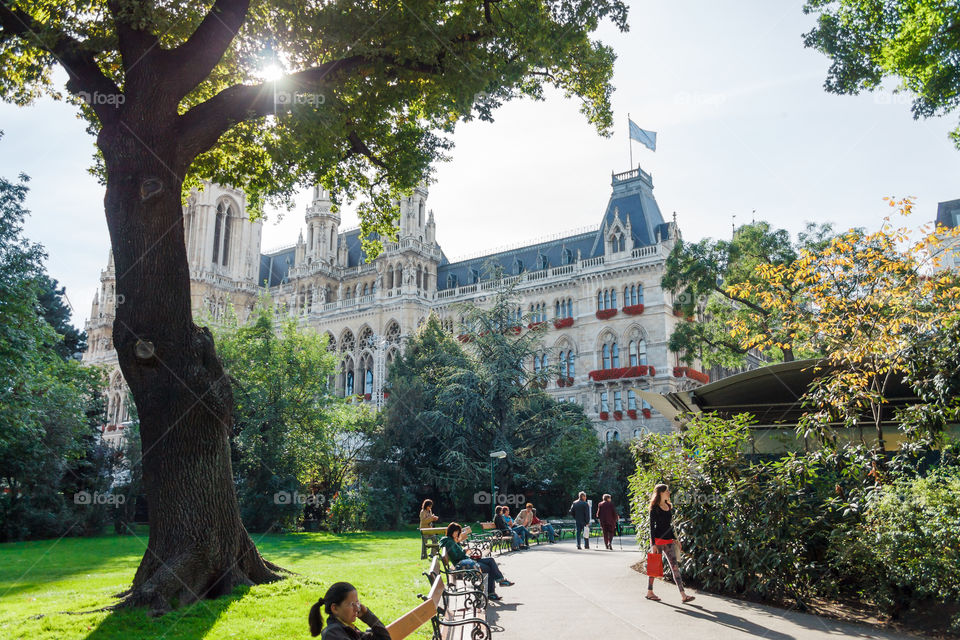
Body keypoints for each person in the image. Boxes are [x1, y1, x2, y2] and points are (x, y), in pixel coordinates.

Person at [439, 522, 514, 601]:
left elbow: (458, 553)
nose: (457, 534)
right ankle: (492, 592)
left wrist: (465, 551)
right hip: (463, 564)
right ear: (451, 531)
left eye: (458, 532)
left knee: (490, 560)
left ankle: (500, 581)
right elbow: (456, 556)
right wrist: (465, 551)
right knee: (488, 568)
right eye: (456, 532)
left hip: (467, 560)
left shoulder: (451, 540)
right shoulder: (449, 542)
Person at [646, 483, 695, 603]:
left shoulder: (668, 506)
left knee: (675, 568)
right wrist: (653, 544)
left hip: (668, 542)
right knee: (654, 567)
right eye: (667, 491)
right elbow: (652, 528)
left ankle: (683, 595)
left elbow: (669, 526)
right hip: (657, 542)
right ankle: (649, 592)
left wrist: (675, 539)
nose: (669, 493)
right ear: (661, 493)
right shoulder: (654, 508)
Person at [308, 581, 390, 639]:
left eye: (357, 602)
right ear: (335, 608)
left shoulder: (349, 628)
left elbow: (385, 638)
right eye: (351, 604)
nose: (357, 608)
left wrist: (367, 616)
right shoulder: (332, 634)